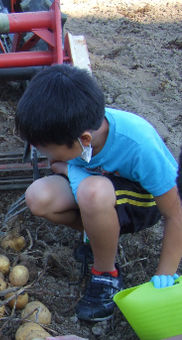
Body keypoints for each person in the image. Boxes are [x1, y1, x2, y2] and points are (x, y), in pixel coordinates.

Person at [14, 64, 182, 322]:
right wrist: (66, 168)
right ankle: (100, 236)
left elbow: (175, 213)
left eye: (48, 149)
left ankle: (106, 275)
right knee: (39, 197)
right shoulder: (74, 129)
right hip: (98, 188)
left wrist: (166, 273)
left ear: (84, 140)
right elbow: (69, 165)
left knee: (92, 192)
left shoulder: (139, 145)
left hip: (140, 204)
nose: (46, 156)